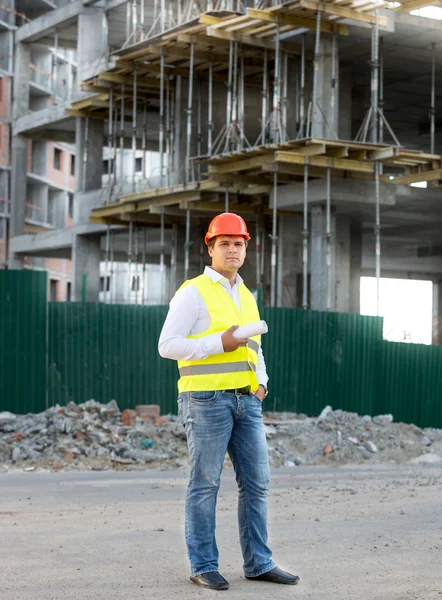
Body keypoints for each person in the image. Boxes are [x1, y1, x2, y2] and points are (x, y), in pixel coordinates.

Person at [158, 213, 300, 591]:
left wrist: (262, 383)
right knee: (204, 483)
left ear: (246, 248)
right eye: (225, 243)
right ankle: (203, 564)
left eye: (239, 243)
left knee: (257, 483)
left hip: (246, 402)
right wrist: (219, 342)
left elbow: (255, 347)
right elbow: (167, 345)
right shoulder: (193, 292)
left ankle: (259, 563)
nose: (233, 249)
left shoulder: (246, 295)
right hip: (205, 401)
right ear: (211, 247)